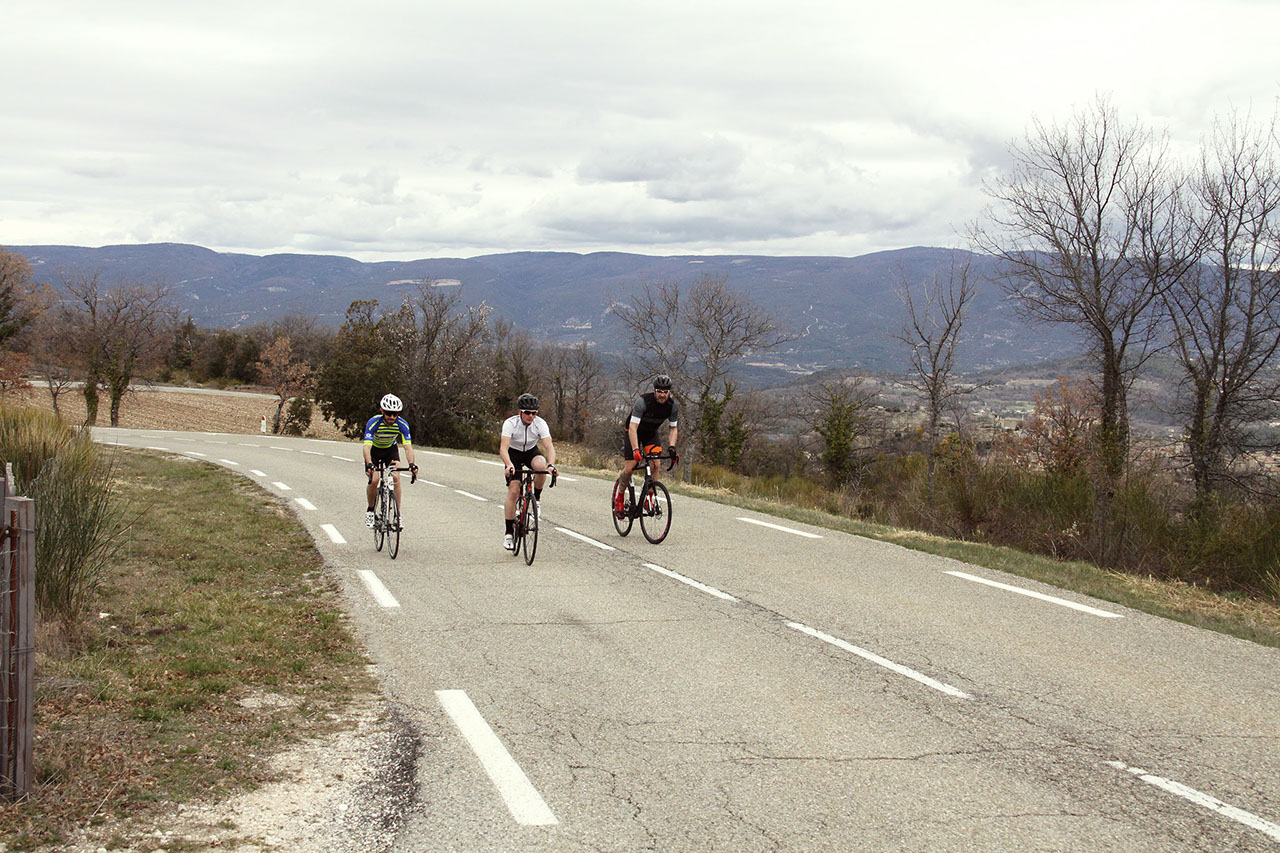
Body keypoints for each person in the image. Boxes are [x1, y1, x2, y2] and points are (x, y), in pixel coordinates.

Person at [613, 374, 680, 516]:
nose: (662, 395)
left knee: (655, 464)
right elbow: (632, 427)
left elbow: (673, 428)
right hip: (633, 432)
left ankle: (648, 499)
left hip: (650, 433)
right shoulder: (643, 402)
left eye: (665, 392)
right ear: (654, 390)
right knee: (630, 468)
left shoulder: (672, 406)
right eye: (659, 391)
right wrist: (636, 449)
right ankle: (619, 497)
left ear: (669, 392)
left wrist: (672, 447)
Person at [499, 393, 557, 550]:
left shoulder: (540, 424)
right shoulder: (510, 423)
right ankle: (509, 533)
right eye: (527, 413)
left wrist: (551, 465)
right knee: (513, 491)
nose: (531, 416)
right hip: (513, 454)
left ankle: (536, 499)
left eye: (534, 413)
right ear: (520, 412)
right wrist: (509, 465)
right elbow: (503, 449)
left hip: (531, 450)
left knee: (540, 465)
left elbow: (549, 446)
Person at [363, 393, 417, 528]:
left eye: (395, 414)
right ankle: (370, 510)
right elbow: (366, 447)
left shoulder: (402, 424)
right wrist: (369, 464)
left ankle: (397, 516)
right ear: (382, 411)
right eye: (388, 413)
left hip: (390, 451)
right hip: (374, 451)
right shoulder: (373, 422)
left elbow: (407, 447)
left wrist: (412, 464)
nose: (392, 417)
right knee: (374, 480)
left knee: (396, 477)